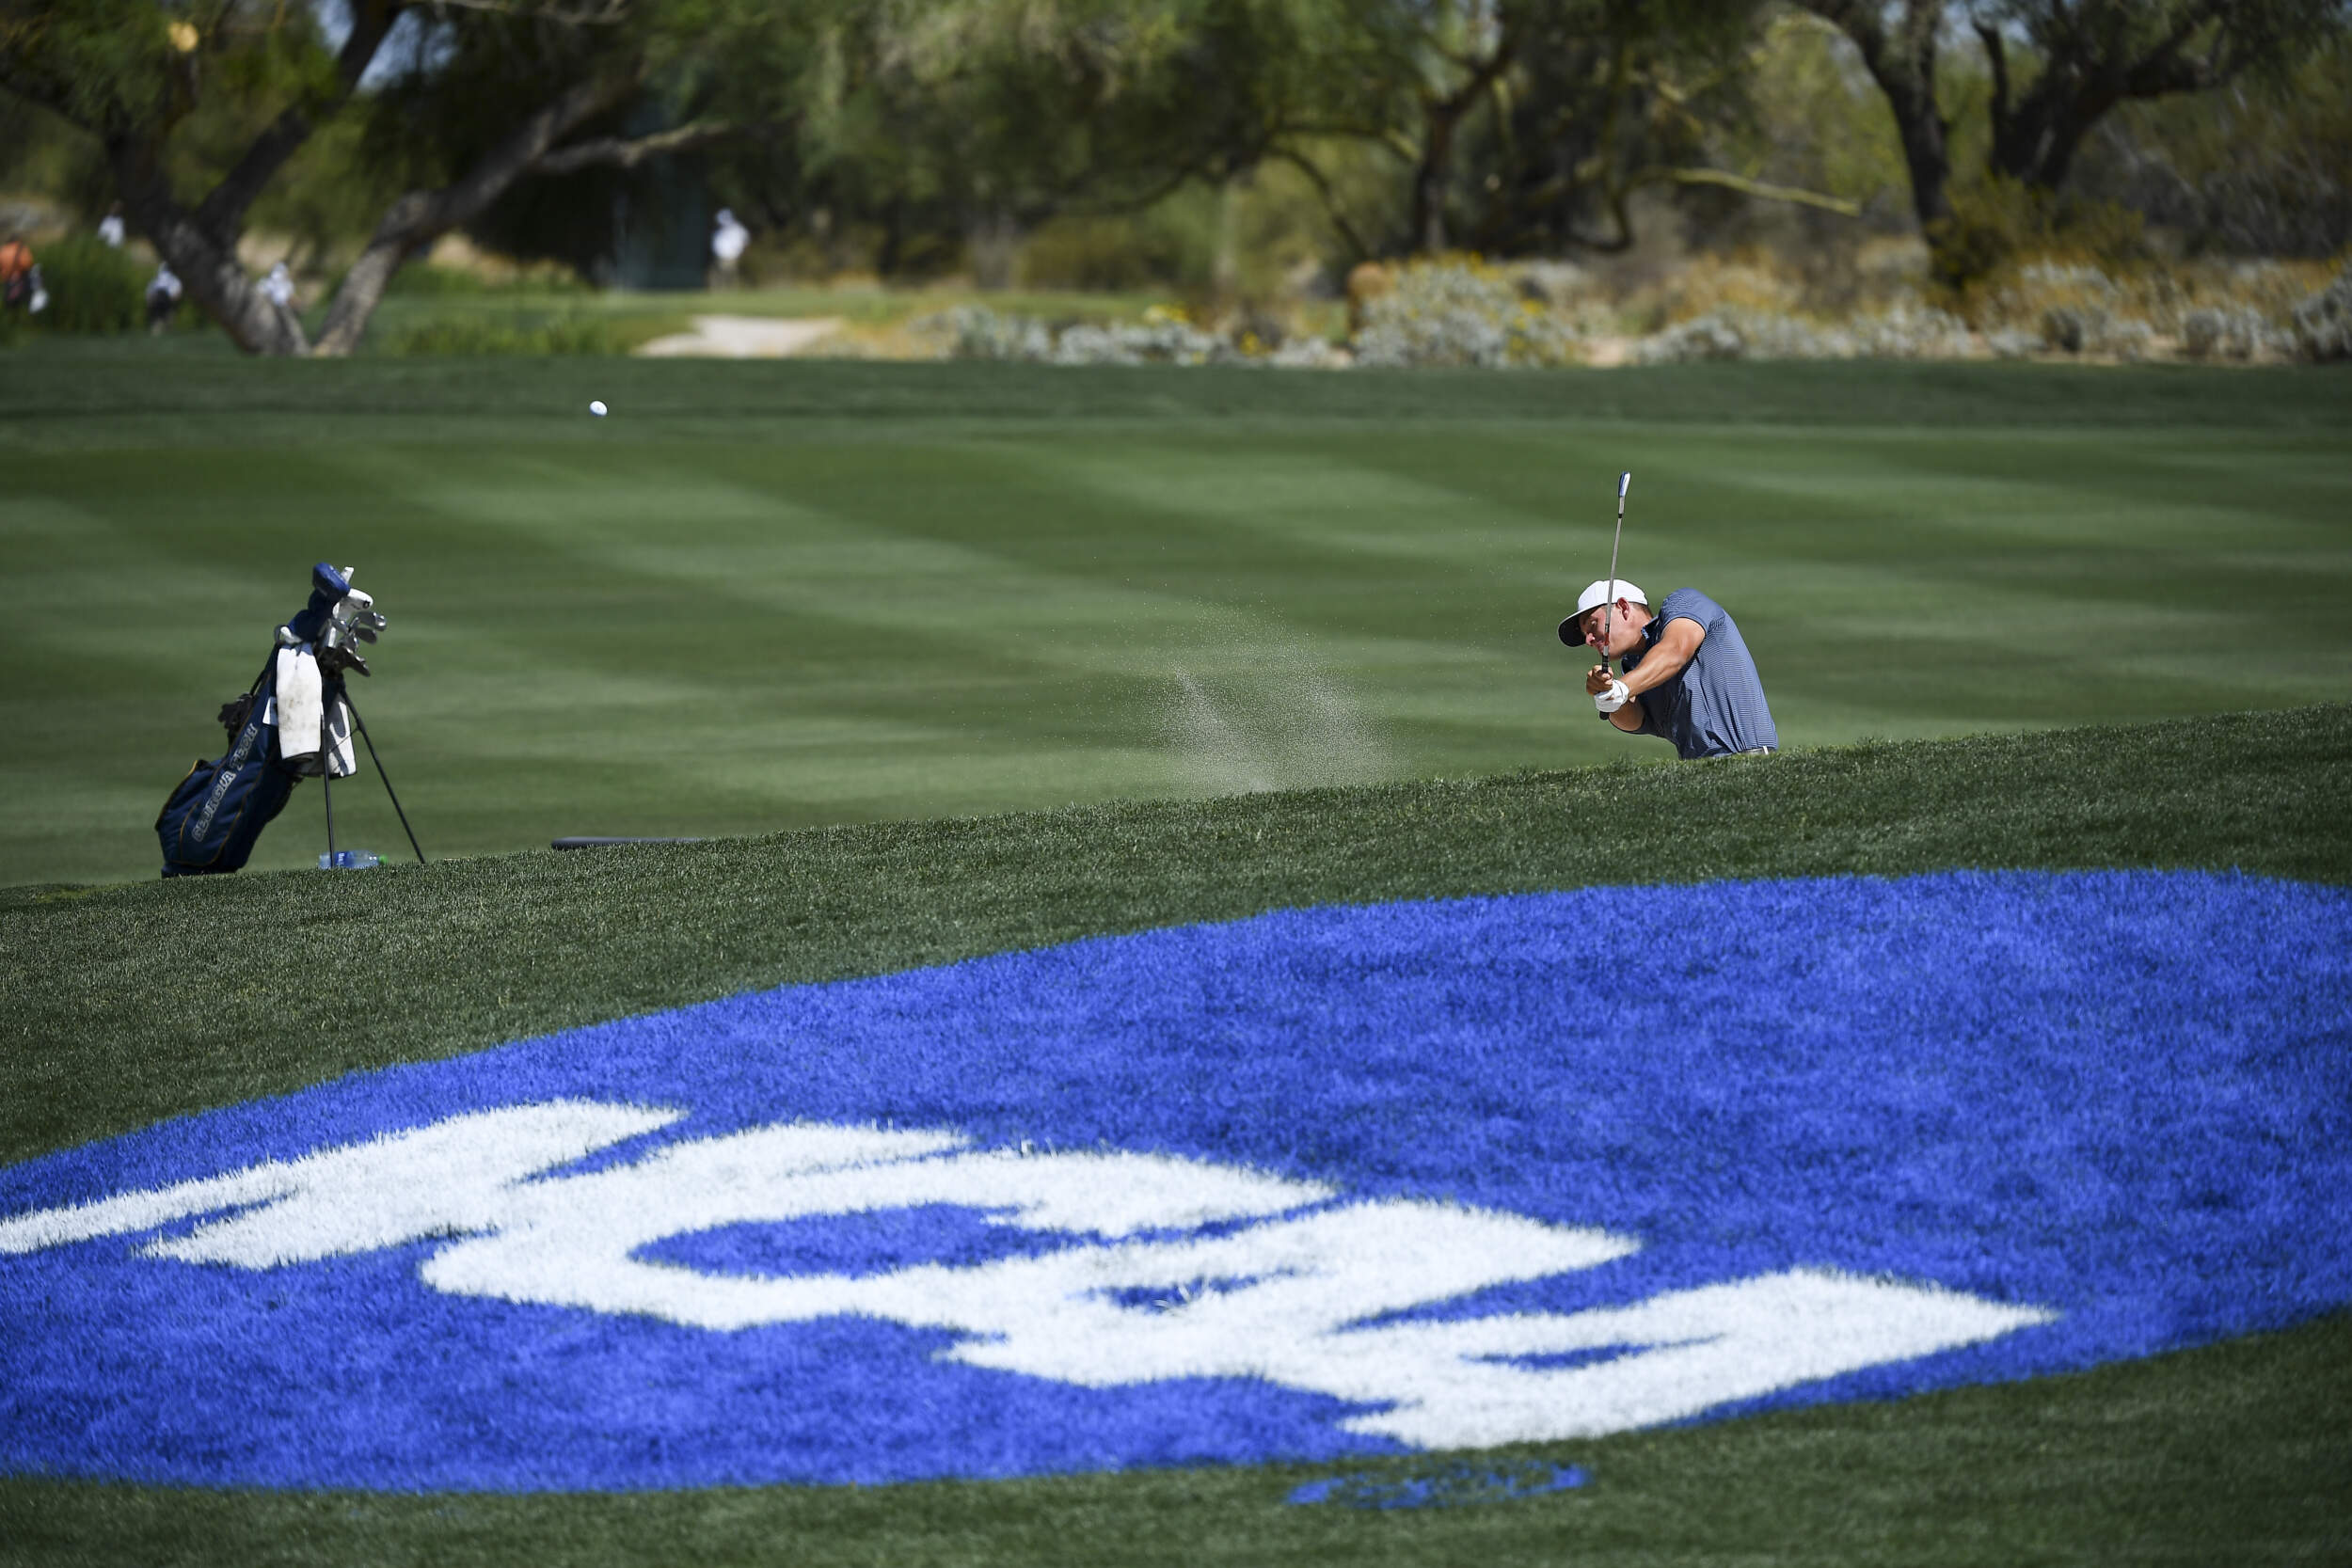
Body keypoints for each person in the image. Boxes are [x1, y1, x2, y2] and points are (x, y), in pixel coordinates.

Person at [1563, 579, 1779, 758]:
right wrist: (1608, 696)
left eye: (1592, 625)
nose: (1589, 640)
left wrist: (1622, 688)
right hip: (1699, 779)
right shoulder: (1634, 669)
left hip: (1750, 761)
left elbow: (1675, 651)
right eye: (1585, 636)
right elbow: (1634, 721)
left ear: (1623, 607)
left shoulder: (1685, 603)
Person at [709, 207, 748, 287]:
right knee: (721, 273)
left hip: (733, 255)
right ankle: (722, 289)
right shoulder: (719, 231)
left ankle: (732, 288)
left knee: (731, 273)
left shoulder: (737, 229)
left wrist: (737, 251)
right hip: (722, 255)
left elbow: (743, 240)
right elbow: (717, 244)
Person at [146, 261, 183, 333]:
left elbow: (149, 292)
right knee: (167, 318)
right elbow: (177, 293)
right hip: (166, 298)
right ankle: (166, 331)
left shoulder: (157, 279)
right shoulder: (173, 278)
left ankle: (157, 333)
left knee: (157, 320)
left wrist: (149, 301)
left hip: (158, 297)